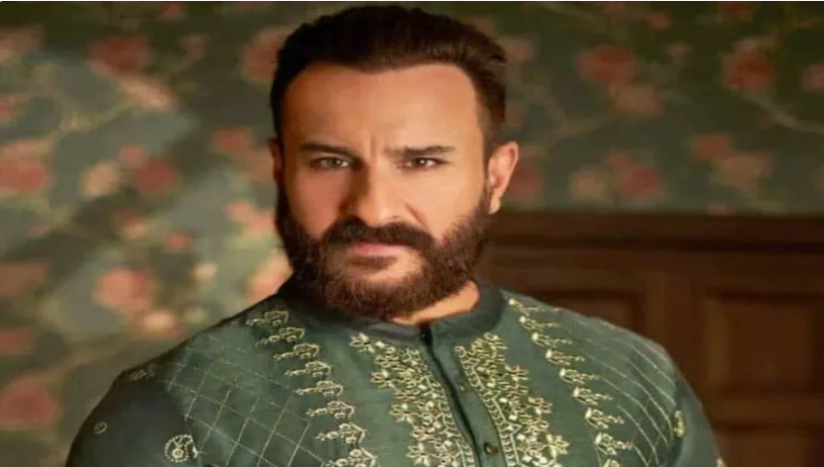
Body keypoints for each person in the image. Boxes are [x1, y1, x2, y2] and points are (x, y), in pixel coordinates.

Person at [66, 6, 724, 467]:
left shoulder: (634, 376)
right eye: (331, 161)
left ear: (496, 177)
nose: (373, 207)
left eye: (422, 161)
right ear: (280, 169)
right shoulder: (175, 404)